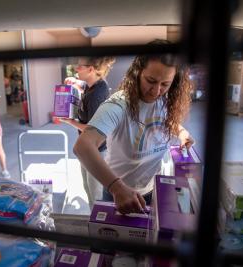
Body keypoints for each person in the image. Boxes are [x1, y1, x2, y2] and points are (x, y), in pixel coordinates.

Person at [73, 40, 195, 214]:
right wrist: (117, 188)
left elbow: (164, 120)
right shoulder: (118, 105)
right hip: (121, 194)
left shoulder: (163, 100)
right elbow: (82, 147)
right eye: (150, 81)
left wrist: (181, 132)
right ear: (137, 72)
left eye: (165, 84)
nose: (156, 91)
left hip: (153, 189)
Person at [60, 56, 116, 208]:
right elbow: (85, 86)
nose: (76, 69)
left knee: (96, 196)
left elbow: (93, 129)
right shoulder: (94, 85)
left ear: (90, 69)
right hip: (88, 149)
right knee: (88, 188)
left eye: (79, 67)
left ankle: (98, 225)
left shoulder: (97, 95)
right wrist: (76, 82)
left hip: (96, 152)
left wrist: (70, 122)